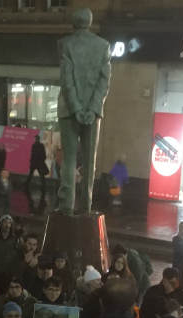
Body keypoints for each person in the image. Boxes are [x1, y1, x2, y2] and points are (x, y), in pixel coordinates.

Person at [55, 8, 111, 215]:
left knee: (69, 161)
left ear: (73, 22)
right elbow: (104, 82)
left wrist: (77, 108)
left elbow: (66, 80)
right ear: (90, 22)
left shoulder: (65, 44)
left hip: (69, 111)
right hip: (93, 112)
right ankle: (86, 206)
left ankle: (66, 206)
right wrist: (93, 108)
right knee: (90, 160)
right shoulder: (103, 46)